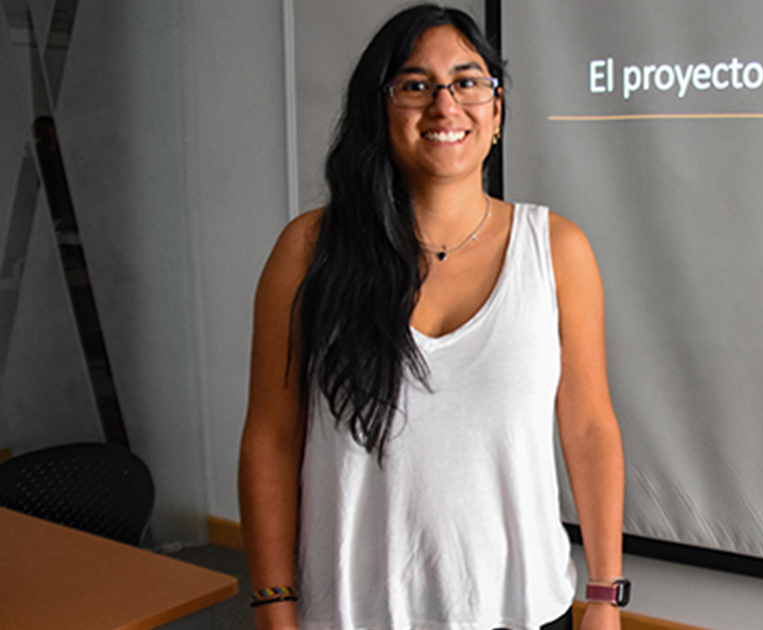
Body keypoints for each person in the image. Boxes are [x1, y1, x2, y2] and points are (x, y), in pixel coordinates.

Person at [238, 5, 626, 630]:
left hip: (520, 610)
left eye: (468, 82)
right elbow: (271, 439)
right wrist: (272, 601)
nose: (446, 105)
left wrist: (605, 596)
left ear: (496, 111)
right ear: (380, 108)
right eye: (415, 85)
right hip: (350, 614)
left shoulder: (555, 249)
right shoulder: (310, 251)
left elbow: (589, 429)